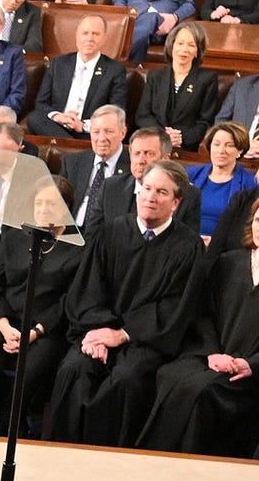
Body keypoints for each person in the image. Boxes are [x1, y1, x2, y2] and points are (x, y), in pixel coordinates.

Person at [46, 160, 203, 448]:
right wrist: (99, 333)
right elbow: (88, 288)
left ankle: (112, 467)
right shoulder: (111, 231)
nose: (150, 197)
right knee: (73, 369)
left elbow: (174, 307)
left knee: (126, 379)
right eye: (146, 188)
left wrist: (123, 334)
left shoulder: (187, 246)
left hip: (146, 340)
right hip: (98, 330)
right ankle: (59, 457)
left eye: (162, 192)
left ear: (176, 203)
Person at [138, 197, 259, 456]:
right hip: (212, 354)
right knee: (169, 375)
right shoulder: (229, 263)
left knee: (204, 392)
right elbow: (203, 314)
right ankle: (153, 460)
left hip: (248, 370)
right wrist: (212, 353)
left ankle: (189, 467)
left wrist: (251, 364)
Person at [0, 176, 82, 436]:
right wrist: (4, 326)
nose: (43, 210)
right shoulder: (13, 237)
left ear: (67, 208)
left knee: (28, 371)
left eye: (51, 204)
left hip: (47, 328)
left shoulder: (78, 247)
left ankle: (4, 431)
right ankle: (9, 417)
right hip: (6, 320)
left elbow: (70, 299)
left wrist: (36, 332)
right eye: (38, 203)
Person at [28, 15, 128, 139]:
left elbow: (116, 111)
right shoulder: (58, 64)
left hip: (89, 130)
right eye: (85, 33)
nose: (89, 38)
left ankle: (69, 150)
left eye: (95, 34)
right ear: (77, 35)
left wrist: (83, 125)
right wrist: (58, 116)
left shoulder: (115, 70)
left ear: (104, 38)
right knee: (34, 118)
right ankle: (75, 151)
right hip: (57, 125)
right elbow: (41, 103)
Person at [92, 126, 202, 236]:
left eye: (149, 154)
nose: (140, 161)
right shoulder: (111, 187)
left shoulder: (187, 195)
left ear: (166, 158)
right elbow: (93, 236)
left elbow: (186, 243)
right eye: (136, 153)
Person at [135, 21, 218, 152]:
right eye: (180, 43)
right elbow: (143, 115)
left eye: (191, 45)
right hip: (154, 144)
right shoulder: (155, 76)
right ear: (171, 46)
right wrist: (162, 135)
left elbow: (206, 122)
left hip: (185, 147)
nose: (184, 49)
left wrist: (181, 137)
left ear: (198, 51)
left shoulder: (207, 80)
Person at [187, 123, 257, 236]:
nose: (221, 150)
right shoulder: (190, 175)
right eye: (216, 144)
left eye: (229, 145)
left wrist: (214, 244)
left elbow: (246, 229)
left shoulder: (249, 184)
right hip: (187, 242)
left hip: (224, 248)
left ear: (240, 150)